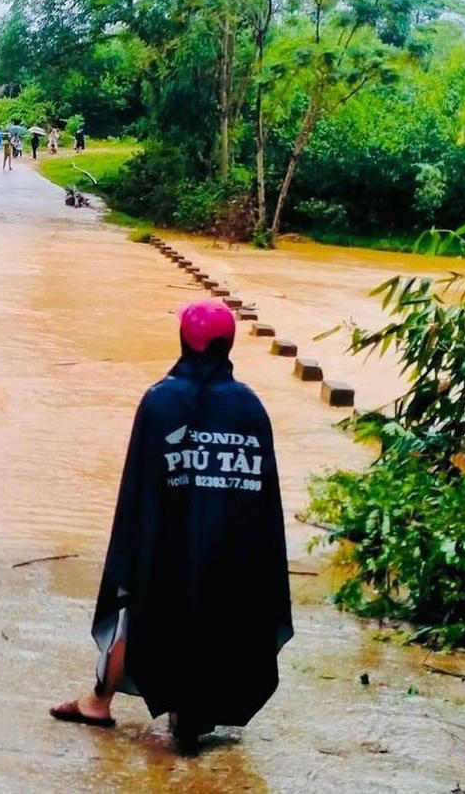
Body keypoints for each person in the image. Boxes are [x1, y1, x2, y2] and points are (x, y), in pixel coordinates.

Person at [50, 299, 292, 754]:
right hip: (230, 547)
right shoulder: (251, 407)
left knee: (132, 600)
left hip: (168, 543)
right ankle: (191, 708)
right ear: (228, 345)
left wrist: (134, 550)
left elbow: (140, 486)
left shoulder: (160, 400)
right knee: (218, 611)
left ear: (183, 341)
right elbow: (262, 497)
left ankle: (99, 701)